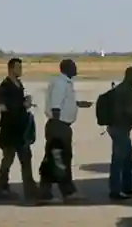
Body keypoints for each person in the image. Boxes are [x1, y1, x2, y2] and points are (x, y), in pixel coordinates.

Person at [39, 59, 92, 203]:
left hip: (58, 125)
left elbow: (62, 102)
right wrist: (57, 126)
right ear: (66, 68)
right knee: (61, 159)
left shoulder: (64, 82)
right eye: (73, 66)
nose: (76, 68)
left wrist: (77, 104)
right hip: (59, 126)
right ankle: (68, 193)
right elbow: (56, 105)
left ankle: (45, 193)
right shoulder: (61, 83)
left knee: (52, 159)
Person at [0, 58, 38, 202]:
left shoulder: (19, 85)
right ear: (11, 69)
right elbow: (3, 108)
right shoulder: (3, 88)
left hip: (21, 129)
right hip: (9, 130)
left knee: (26, 158)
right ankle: (2, 189)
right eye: (18, 67)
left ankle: (30, 188)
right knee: (8, 160)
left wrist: (26, 102)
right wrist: (23, 105)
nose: (21, 70)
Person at [107, 66, 132, 201]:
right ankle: (116, 190)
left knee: (127, 158)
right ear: (131, 77)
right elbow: (128, 111)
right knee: (119, 160)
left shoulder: (118, 89)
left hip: (116, 127)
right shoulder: (129, 92)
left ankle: (126, 187)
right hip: (120, 129)